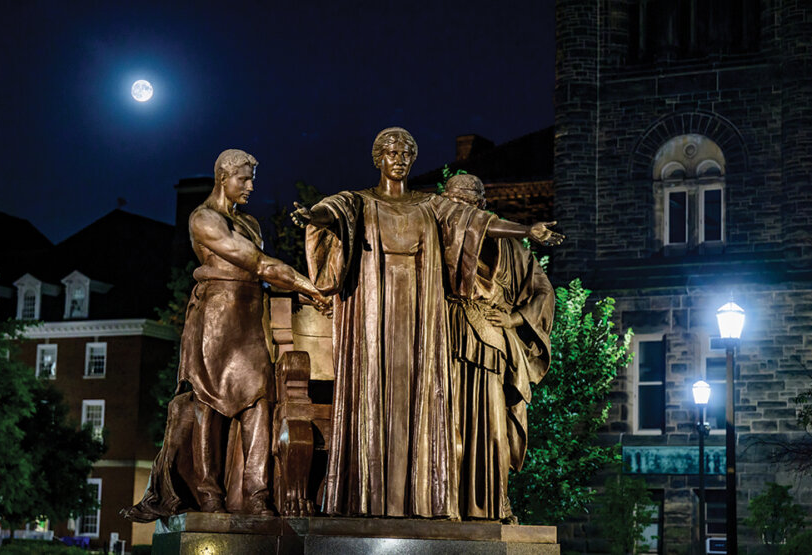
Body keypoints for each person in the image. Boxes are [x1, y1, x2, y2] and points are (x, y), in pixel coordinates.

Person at [292, 128, 562, 519]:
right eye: (390, 151)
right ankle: (366, 495)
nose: (399, 158)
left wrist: (527, 230)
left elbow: (473, 222)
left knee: (424, 400)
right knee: (374, 393)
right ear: (377, 158)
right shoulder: (360, 202)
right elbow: (331, 211)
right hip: (373, 313)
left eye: (406, 153)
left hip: (423, 318)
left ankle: (426, 499)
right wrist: (311, 214)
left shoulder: (431, 206)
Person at [124, 149, 329, 520]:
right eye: (244, 179)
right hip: (215, 316)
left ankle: (256, 493)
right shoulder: (204, 218)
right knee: (209, 402)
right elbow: (258, 263)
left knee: (258, 402)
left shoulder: (251, 223)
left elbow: (261, 268)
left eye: (252, 179)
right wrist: (310, 287)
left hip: (250, 315)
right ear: (223, 177)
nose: (250, 186)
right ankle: (209, 496)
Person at [442, 174, 554, 522]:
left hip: (491, 346)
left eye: (467, 205)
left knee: (493, 425)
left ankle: (492, 502)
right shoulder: (439, 237)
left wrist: (517, 319)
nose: (460, 213)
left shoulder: (512, 250)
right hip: (446, 339)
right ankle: (444, 500)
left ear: (482, 207)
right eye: (453, 204)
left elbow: (543, 291)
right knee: (447, 422)